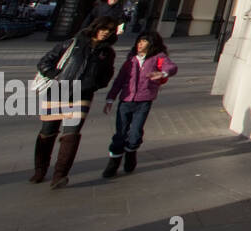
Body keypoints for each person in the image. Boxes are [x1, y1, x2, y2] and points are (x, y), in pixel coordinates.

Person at [31, 17, 118, 188]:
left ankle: (60, 175)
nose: (106, 32)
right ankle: (40, 170)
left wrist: (93, 84)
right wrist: (54, 75)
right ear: (96, 27)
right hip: (57, 92)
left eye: (110, 30)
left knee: (71, 135)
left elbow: (107, 75)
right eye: (104, 28)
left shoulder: (107, 52)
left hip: (82, 95)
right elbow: (45, 61)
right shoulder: (73, 43)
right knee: (47, 132)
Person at [101, 31, 177, 178]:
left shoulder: (157, 57)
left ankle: (131, 152)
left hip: (144, 100)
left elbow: (172, 67)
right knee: (120, 133)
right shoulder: (130, 61)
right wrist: (110, 98)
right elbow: (119, 81)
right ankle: (113, 162)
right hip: (126, 100)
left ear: (151, 43)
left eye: (143, 42)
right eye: (139, 41)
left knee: (135, 133)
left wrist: (163, 74)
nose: (139, 44)